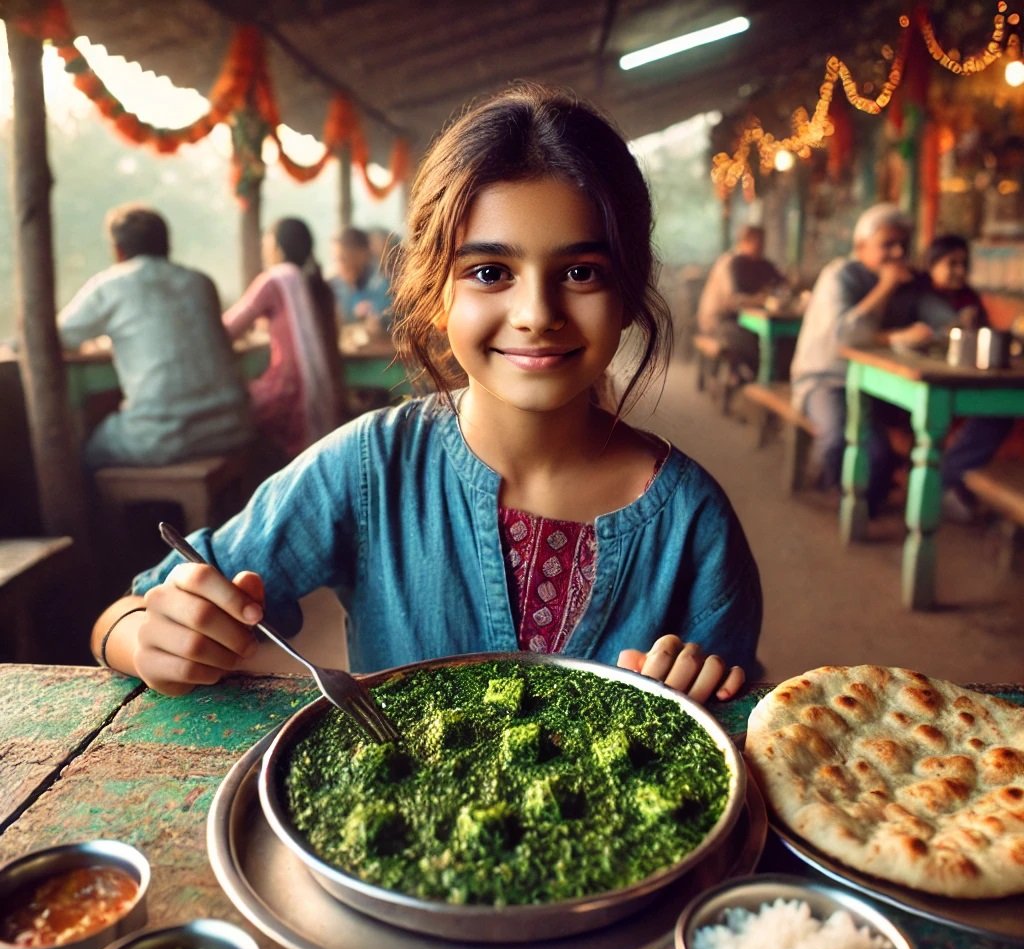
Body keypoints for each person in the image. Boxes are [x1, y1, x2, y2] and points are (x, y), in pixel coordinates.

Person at [89, 83, 763, 708]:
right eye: (490, 271)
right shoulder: (368, 468)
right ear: (435, 293)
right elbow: (133, 611)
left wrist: (706, 688)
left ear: (628, 293)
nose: (536, 312)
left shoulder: (693, 523)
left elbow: (737, 723)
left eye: (581, 272)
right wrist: (146, 636)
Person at [57, 204, 253, 469]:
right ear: (167, 246)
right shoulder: (201, 282)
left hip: (165, 437)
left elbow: (57, 338)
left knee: (90, 451)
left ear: (118, 250)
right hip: (234, 426)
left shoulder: (111, 284)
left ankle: (103, 512)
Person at [789, 203, 951, 515]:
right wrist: (887, 288)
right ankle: (841, 495)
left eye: (902, 245)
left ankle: (870, 502)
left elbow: (944, 319)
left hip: (879, 385)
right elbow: (843, 337)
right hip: (826, 380)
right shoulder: (840, 275)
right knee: (841, 440)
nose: (897, 253)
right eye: (887, 245)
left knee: (898, 445)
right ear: (860, 246)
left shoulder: (911, 282)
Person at [223, 217, 345, 465]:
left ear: (277, 248)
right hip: (328, 396)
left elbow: (227, 330)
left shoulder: (275, 280)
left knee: (231, 403)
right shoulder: (318, 284)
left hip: (288, 396)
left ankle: (246, 483)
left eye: (266, 244)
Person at [923, 234, 1015, 523]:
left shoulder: (970, 298)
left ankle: (945, 481)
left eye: (964, 264)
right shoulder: (918, 294)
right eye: (952, 264)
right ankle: (941, 486)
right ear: (932, 265)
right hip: (923, 382)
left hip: (965, 383)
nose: (960, 271)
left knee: (1000, 412)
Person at [696, 225, 787, 381]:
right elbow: (733, 301)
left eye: (763, 243)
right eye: (758, 243)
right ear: (745, 242)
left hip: (740, 320)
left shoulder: (759, 263)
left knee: (780, 341)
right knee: (755, 346)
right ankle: (751, 377)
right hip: (718, 322)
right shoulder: (731, 263)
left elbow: (781, 281)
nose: (761, 248)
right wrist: (762, 299)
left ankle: (761, 376)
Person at [327, 226, 392, 326]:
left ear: (362, 255)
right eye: (334, 259)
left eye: (342, 259)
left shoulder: (382, 286)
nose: (337, 266)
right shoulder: (334, 286)